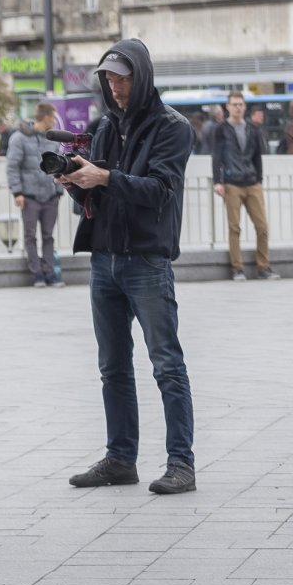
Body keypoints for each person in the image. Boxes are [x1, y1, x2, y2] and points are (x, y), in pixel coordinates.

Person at [60, 39, 197, 497]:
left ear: (142, 76)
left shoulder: (172, 128)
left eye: (123, 77)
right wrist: (74, 182)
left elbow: (161, 190)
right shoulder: (104, 128)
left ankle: (181, 463)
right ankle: (120, 459)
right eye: (109, 79)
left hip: (146, 260)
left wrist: (105, 177)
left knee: (166, 364)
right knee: (112, 366)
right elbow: (96, 197)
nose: (116, 87)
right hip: (105, 260)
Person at [212, 91, 277, 282]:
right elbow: (217, 157)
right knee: (234, 228)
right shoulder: (221, 129)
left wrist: (259, 179)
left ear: (245, 107)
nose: (238, 107)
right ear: (227, 106)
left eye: (240, 104)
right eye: (234, 104)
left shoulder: (252, 128)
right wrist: (218, 181)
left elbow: (257, 156)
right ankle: (237, 268)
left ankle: (263, 267)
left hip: (252, 182)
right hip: (232, 183)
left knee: (262, 226)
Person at [6, 104, 65, 288]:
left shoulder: (52, 139)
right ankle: (37, 274)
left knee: (49, 236)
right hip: (29, 196)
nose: (54, 121)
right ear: (45, 117)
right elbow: (12, 166)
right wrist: (17, 192)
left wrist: (58, 191)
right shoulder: (19, 137)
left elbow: (59, 166)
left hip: (50, 196)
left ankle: (50, 273)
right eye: (53, 117)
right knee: (30, 236)